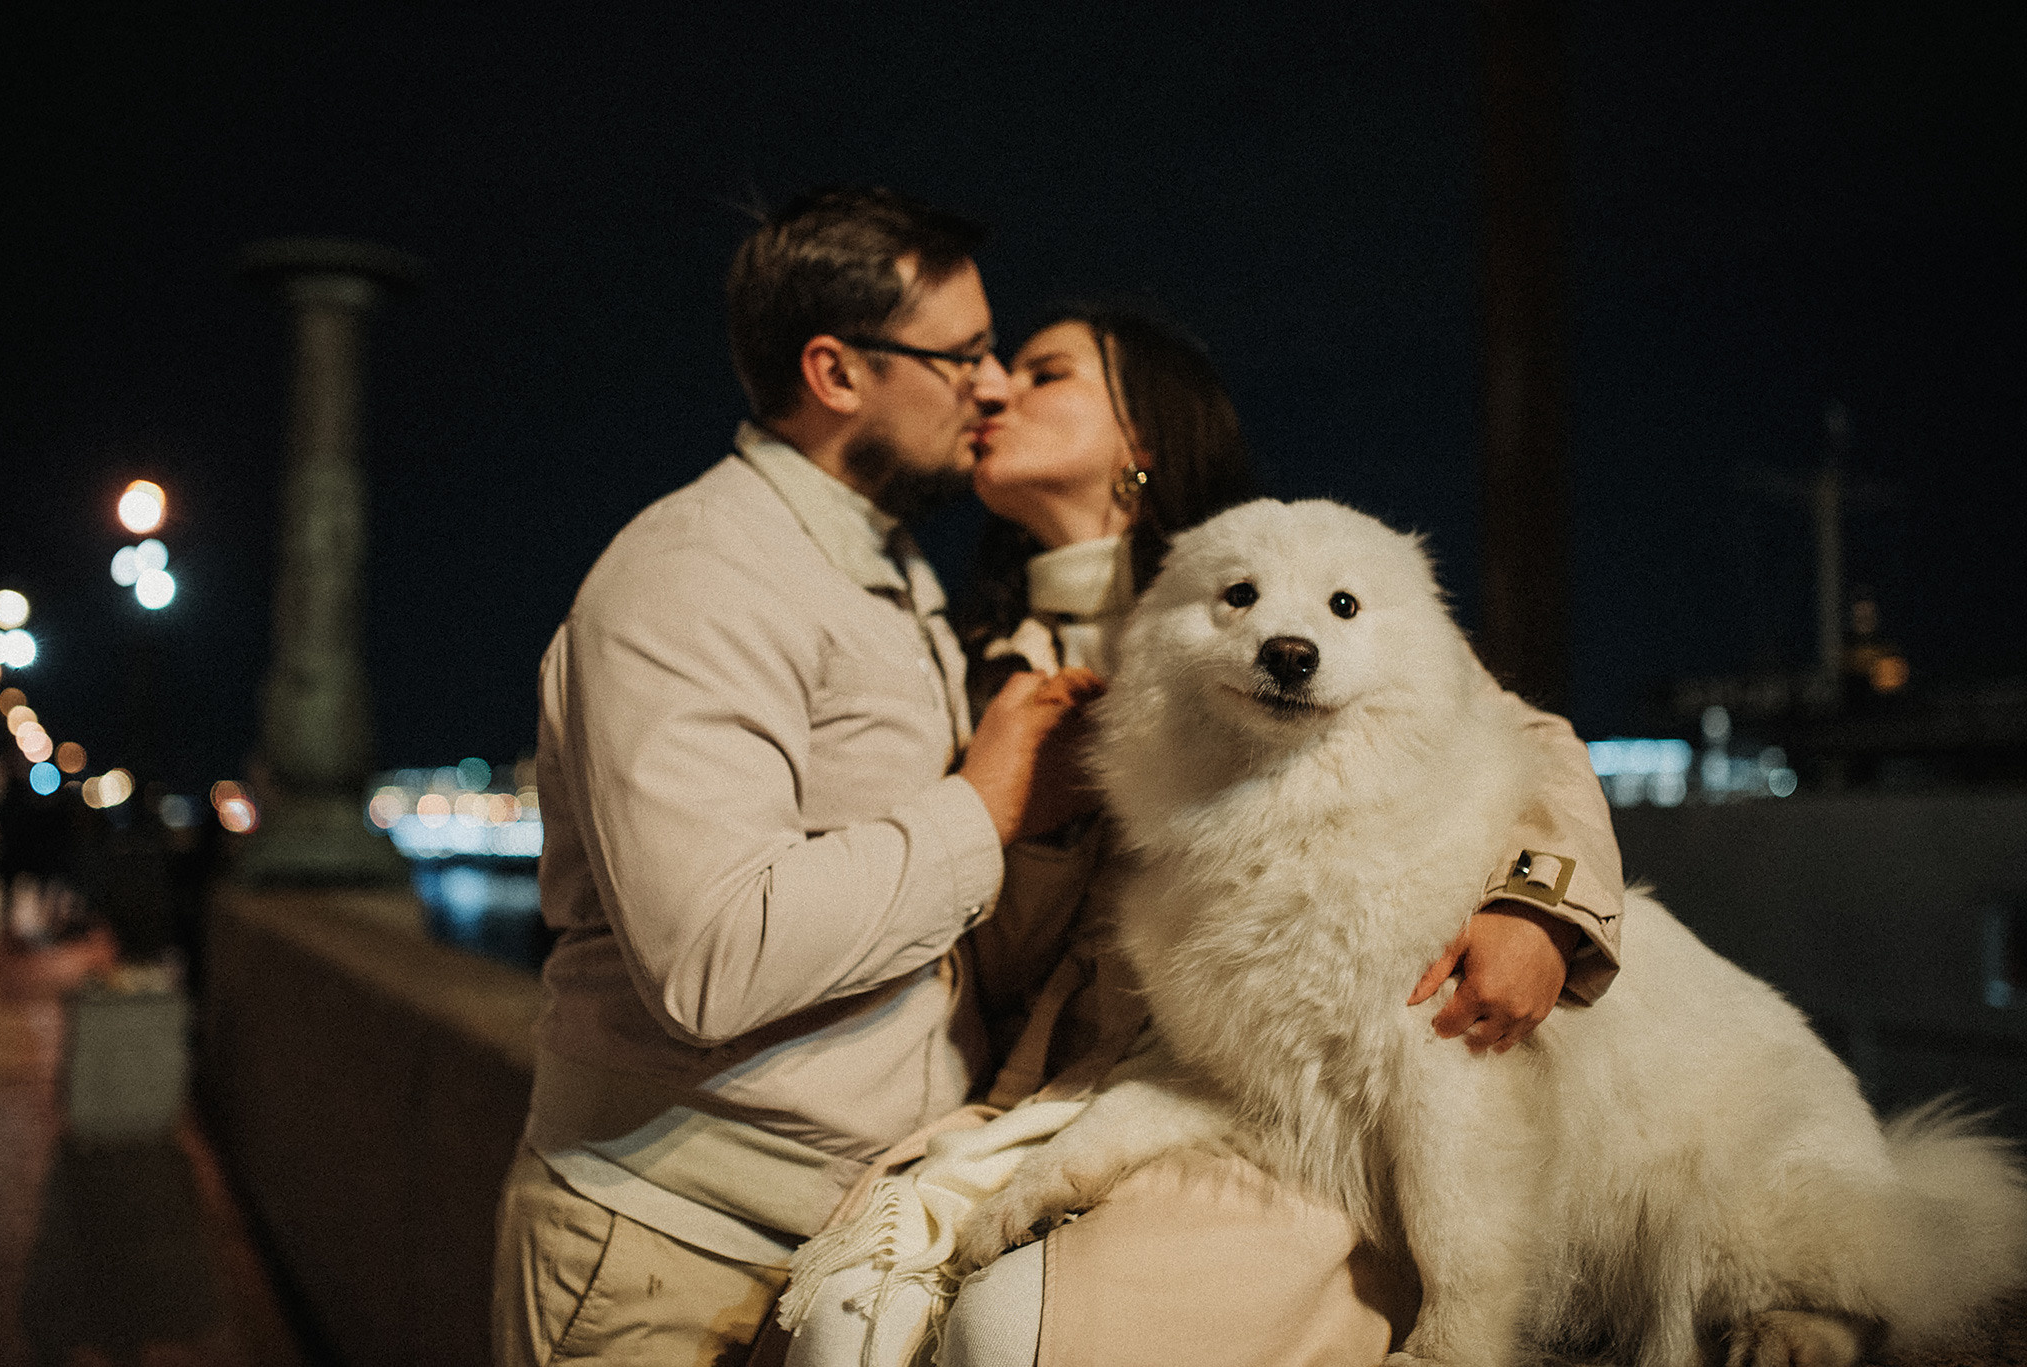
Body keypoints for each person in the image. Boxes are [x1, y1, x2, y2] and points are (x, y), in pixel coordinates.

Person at [777, 304, 1625, 1367]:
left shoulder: (1275, 565)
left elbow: (1526, 738)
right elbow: (985, 956)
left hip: (1280, 1081)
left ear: (1140, 434)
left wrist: (1540, 906)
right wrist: (1003, 808)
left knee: (1019, 1329)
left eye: (1043, 372)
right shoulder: (979, 650)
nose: (991, 388)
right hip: (1100, 1077)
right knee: (866, 1318)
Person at [491, 187, 1102, 1367]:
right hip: (668, 1254)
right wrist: (983, 804)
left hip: (826, 1249)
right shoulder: (697, 574)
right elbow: (711, 954)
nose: (990, 384)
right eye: (962, 354)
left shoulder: (880, 566)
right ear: (835, 371)